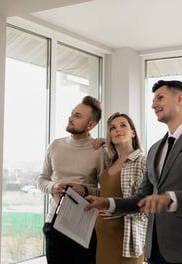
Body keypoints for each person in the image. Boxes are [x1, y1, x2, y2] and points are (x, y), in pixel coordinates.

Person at [85, 80, 182, 264]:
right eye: (153, 100)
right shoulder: (155, 149)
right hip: (155, 250)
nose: (153, 105)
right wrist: (107, 203)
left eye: (160, 98)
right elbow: (142, 198)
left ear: (179, 98)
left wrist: (170, 199)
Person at [37, 95, 108, 264]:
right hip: (53, 224)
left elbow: (105, 192)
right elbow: (42, 180)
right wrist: (53, 186)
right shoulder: (55, 145)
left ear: (91, 125)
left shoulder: (99, 151)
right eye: (72, 113)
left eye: (78, 116)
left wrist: (84, 190)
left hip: (83, 228)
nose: (71, 118)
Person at [95, 112, 148, 264]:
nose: (118, 130)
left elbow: (149, 204)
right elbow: (105, 194)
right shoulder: (109, 164)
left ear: (133, 133)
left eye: (123, 125)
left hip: (127, 242)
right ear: (109, 136)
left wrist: (119, 210)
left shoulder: (143, 162)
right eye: (112, 128)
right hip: (103, 240)